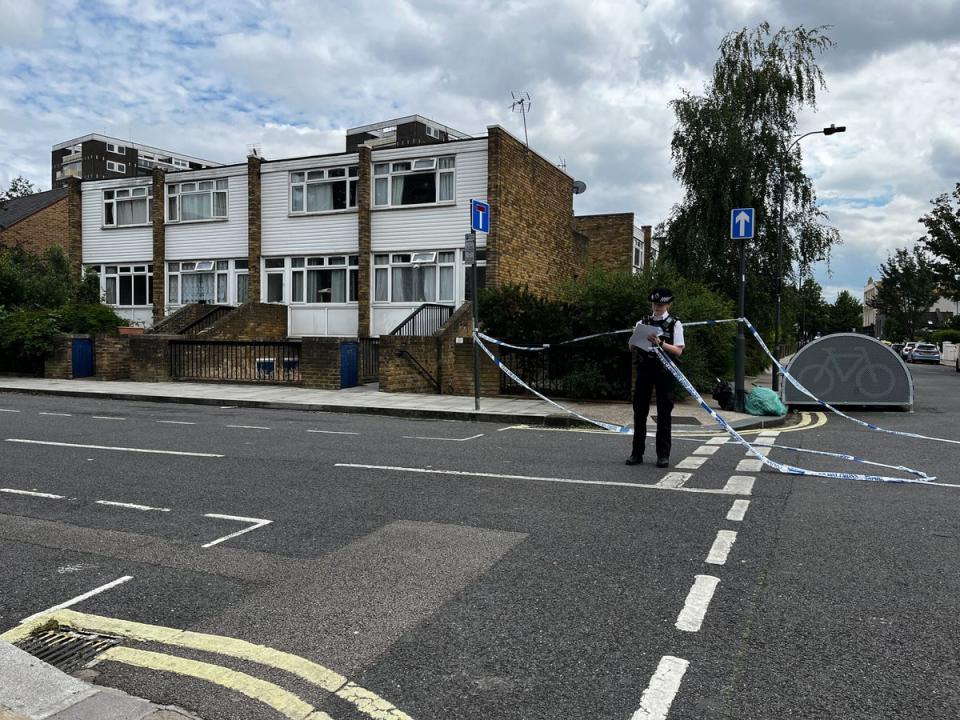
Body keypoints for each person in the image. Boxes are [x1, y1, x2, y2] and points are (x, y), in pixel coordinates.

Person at [626, 287, 685, 468]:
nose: (656, 307)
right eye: (654, 304)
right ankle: (637, 453)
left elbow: (678, 351)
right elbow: (631, 348)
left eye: (660, 305)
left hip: (665, 372)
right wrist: (635, 338)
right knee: (639, 412)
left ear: (668, 304)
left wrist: (660, 343)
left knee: (664, 414)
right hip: (645, 370)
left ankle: (663, 455)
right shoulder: (642, 322)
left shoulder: (675, 324)